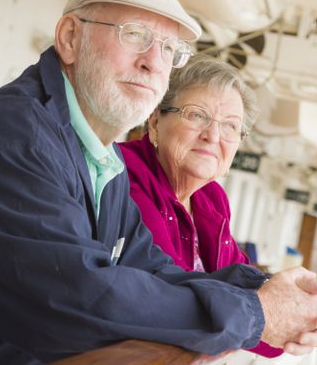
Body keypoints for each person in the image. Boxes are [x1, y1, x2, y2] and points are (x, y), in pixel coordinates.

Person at [0, 0, 317, 365]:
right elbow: (73, 303)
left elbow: (152, 269)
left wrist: (269, 291)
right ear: (70, 38)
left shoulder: (99, 160)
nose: (152, 64)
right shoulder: (14, 138)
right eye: (135, 36)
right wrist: (258, 313)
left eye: (168, 50)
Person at [119, 54, 282, 358]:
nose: (213, 136)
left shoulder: (212, 199)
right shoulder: (126, 176)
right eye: (196, 115)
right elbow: (173, 301)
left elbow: (262, 325)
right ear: (155, 121)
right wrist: (267, 316)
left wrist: (297, 307)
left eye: (231, 127)